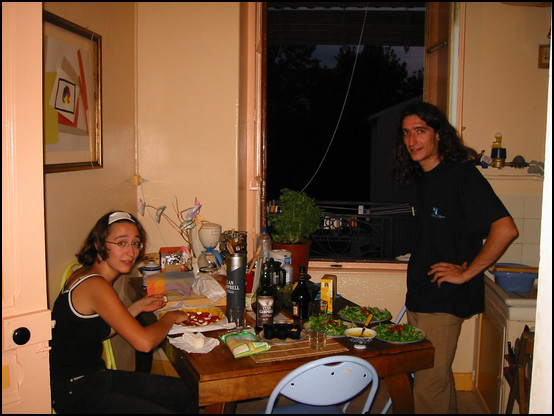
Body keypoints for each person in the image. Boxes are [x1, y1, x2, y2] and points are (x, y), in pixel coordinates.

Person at [390, 102, 519, 414]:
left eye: (420, 131)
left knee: (427, 385)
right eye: (407, 133)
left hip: (445, 299)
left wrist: (464, 273)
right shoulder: (425, 179)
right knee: (436, 379)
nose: (412, 141)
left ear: (438, 135)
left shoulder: (461, 176)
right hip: (421, 294)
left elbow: (505, 229)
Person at [50, 211, 198, 414]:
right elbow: (144, 344)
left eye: (135, 243)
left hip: (95, 377)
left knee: (188, 394)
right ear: (100, 244)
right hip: (75, 392)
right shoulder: (95, 285)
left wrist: (137, 307)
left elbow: (98, 330)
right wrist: (170, 317)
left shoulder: (85, 273)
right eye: (121, 243)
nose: (131, 252)